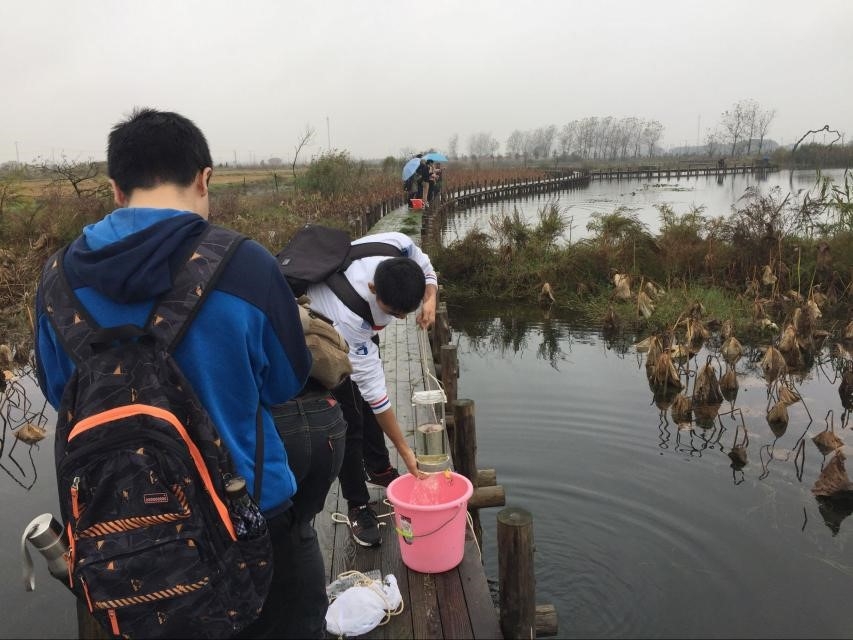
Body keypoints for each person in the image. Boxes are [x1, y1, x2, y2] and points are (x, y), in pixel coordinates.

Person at [33, 108, 323, 638]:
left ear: (116, 189)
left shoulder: (55, 281)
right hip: (249, 515)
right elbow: (285, 382)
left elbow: (62, 395)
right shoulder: (247, 264)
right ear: (204, 178)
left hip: (123, 539)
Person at [304, 233, 438, 547]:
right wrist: (406, 450)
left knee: (362, 402)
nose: (400, 318)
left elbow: (426, 267)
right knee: (348, 420)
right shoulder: (352, 319)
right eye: (394, 313)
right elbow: (377, 396)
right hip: (321, 330)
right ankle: (357, 504)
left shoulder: (397, 245)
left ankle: (378, 468)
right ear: (374, 288)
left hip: (357, 320)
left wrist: (430, 299)